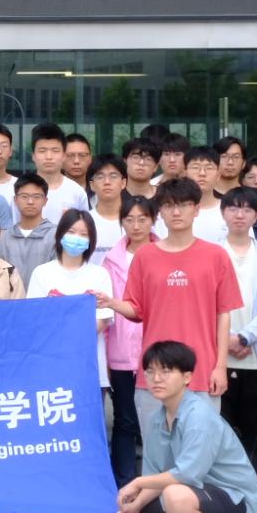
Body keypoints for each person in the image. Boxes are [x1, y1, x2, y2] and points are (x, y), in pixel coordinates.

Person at [112, 341, 257, 513]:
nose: (156, 378)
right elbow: (158, 474)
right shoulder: (157, 418)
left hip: (233, 501)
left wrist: (137, 483)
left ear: (187, 377)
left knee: (175, 494)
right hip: (194, 496)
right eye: (150, 371)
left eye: (166, 371)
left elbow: (187, 474)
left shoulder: (199, 415)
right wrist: (137, 503)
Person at [109, 177, 241, 397]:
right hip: (155, 372)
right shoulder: (144, 256)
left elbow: (223, 315)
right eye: (169, 205)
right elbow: (136, 310)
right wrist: (110, 303)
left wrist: (220, 366)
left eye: (183, 205)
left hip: (202, 370)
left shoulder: (216, 256)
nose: (176, 212)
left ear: (196, 209)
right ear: (160, 212)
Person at [218, 188, 257, 489]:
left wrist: (245, 337)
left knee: (253, 424)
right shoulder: (212, 253)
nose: (239, 215)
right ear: (223, 213)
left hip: (256, 353)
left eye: (246, 209)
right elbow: (204, 303)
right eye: (233, 208)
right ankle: (223, 489)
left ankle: (249, 489)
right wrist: (226, 339)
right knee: (222, 424)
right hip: (219, 353)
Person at [27, 209, 116, 387]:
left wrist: (64, 332)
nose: (77, 238)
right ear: (60, 234)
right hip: (50, 365)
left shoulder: (100, 275)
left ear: (91, 240)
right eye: (71, 232)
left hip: (89, 367)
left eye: (84, 234)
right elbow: (34, 318)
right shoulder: (42, 273)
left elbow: (102, 320)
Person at [101, 195, 152, 487]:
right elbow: (106, 312)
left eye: (142, 219)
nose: (136, 225)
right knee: (125, 420)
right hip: (121, 350)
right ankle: (125, 482)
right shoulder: (111, 261)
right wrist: (108, 356)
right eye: (129, 219)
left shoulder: (164, 253)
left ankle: (155, 483)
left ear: (153, 221)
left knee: (158, 421)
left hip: (156, 351)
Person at [0, 176, 57, 282]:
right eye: (24, 196)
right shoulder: (4, 239)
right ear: (15, 200)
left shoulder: (56, 236)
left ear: (45, 201)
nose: (30, 201)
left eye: (37, 197)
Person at [28, 124, 91, 222]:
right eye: (42, 151)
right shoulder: (20, 191)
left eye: (55, 150)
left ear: (64, 155)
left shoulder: (77, 192)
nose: (49, 157)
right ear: (33, 156)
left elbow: (84, 228)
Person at [85, 157, 127, 263]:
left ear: (123, 183)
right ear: (92, 185)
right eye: (100, 177)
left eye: (113, 176)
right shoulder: (84, 222)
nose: (107, 182)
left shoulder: (135, 221)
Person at [183, 148, 228, 245]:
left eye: (209, 168)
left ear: (218, 175)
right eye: (195, 167)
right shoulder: (172, 212)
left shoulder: (232, 210)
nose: (202, 173)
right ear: (185, 173)